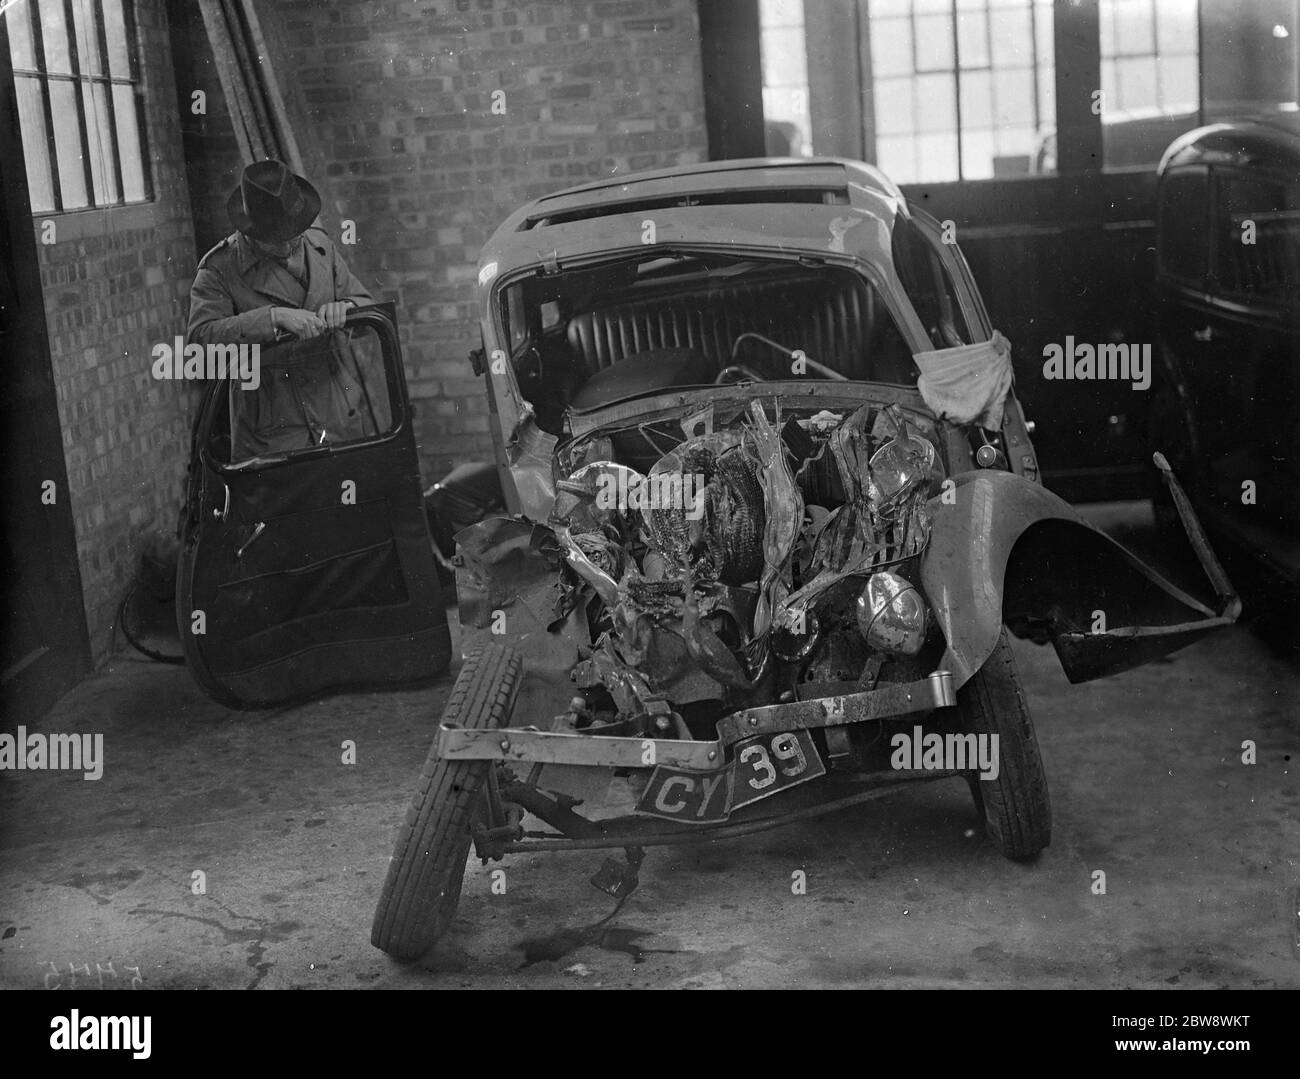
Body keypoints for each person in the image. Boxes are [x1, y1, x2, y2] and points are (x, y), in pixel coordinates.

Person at [187, 159, 387, 459]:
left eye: (293, 232)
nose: (287, 245)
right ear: (249, 229)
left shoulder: (320, 247)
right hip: (272, 435)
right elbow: (199, 346)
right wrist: (271, 318)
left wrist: (345, 309)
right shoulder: (219, 270)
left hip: (337, 416)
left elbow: (366, 304)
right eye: (274, 239)